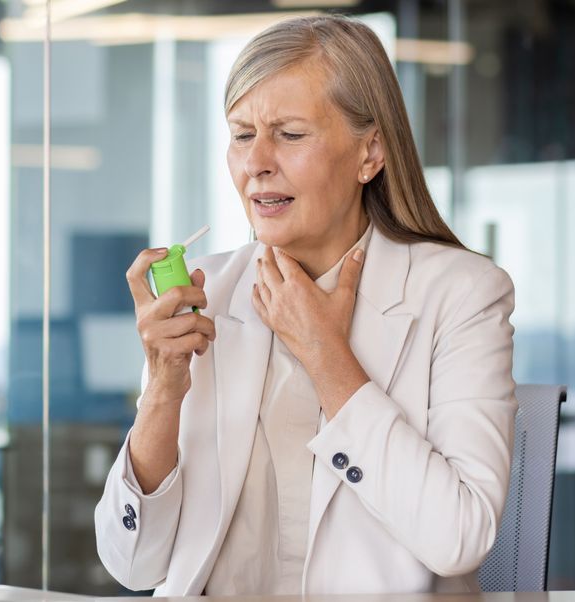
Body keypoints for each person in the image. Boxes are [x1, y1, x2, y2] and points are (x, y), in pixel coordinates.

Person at [95, 14, 517, 596]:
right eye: (243, 135)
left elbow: (459, 538)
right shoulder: (205, 291)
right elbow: (131, 563)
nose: (256, 162)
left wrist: (327, 358)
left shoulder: (461, 293)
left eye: (290, 134)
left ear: (369, 153)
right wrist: (165, 390)